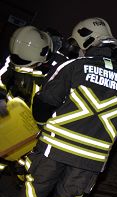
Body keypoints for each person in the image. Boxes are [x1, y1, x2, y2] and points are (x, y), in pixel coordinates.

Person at [2, 17, 117, 197]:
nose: (77, 49)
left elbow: (44, 104)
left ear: (87, 41)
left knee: (34, 191)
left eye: (77, 45)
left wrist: (41, 125)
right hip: (91, 159)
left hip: (54, 148)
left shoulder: (73, 66)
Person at [0, 25, 69, 176]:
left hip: (40, 123)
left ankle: (25, 177)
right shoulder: (21, 51)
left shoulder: (63, 66)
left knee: (27, 165)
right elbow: (3, 77)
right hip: (14, 113)